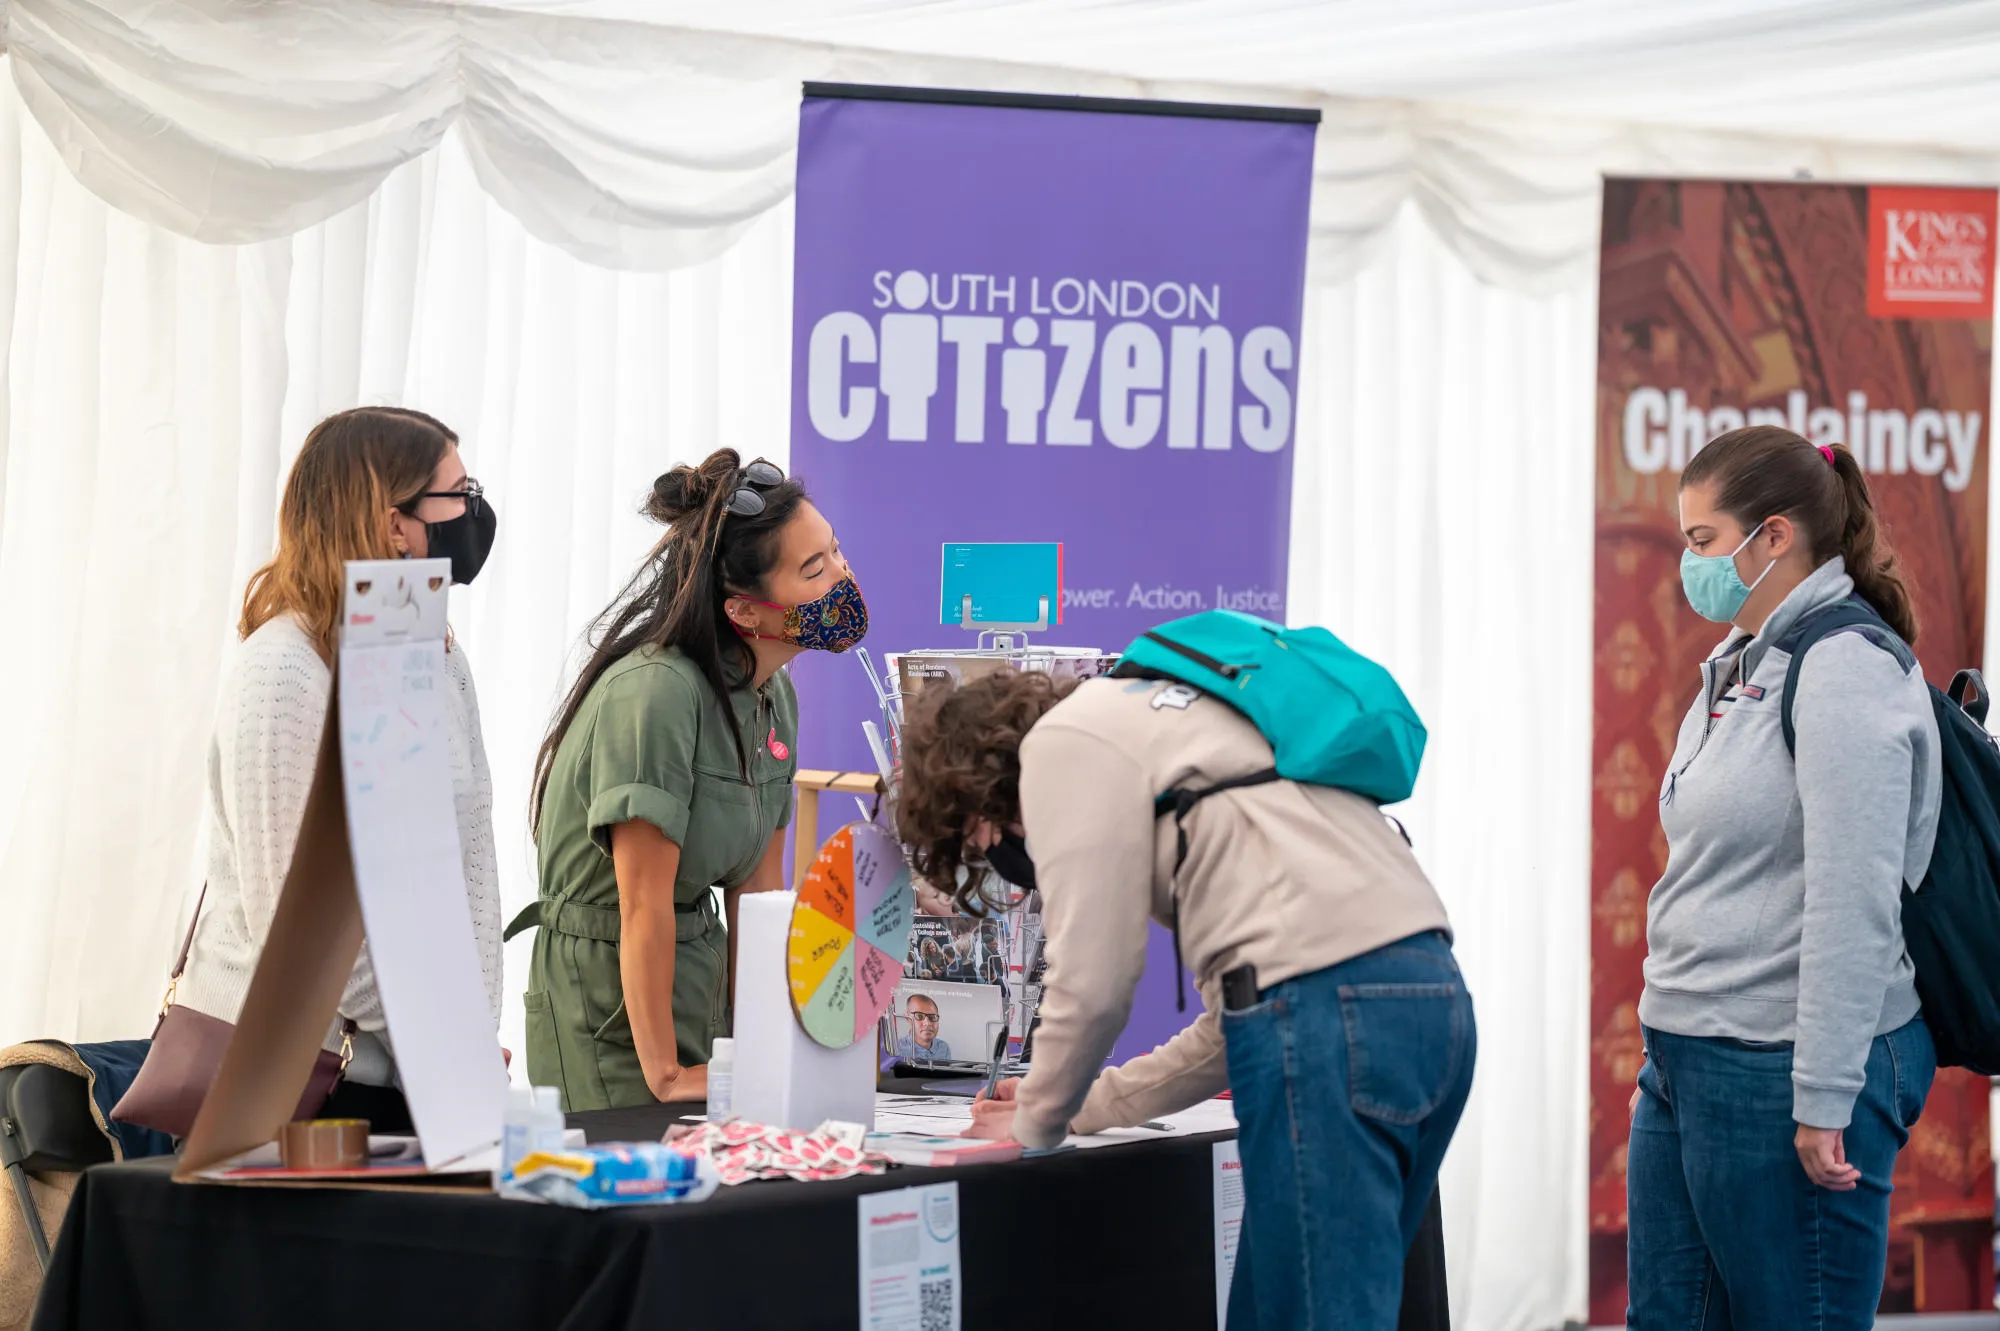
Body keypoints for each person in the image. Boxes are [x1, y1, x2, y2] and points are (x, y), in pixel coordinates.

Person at [894, 667, 1473, 1330]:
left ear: (981, 796)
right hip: (1434, 1001)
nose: (993, 856)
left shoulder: (1059, 749)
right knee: (1290, 1307)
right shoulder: (1180, 731)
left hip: (1326, 1021)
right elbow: (1230, 1034)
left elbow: (1093, 985)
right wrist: (1083, 1105)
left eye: (978, 838)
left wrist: (1035, 1125)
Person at [1627, 427, 1940, 1327]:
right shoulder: (1742, 658)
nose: (1691, 565)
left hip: (1780, 1069)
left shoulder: (1844, 667)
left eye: (1703, 542)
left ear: (1773, 538)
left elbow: (1857, 898)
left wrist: (1825, 1094)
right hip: (1688, 1052)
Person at [177, 407, 504, 1131]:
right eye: (458, 493)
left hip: (421, 1076)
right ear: (394, 524)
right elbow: (297, 920)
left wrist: (468, 1029)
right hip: (303, 1085)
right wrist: (441, 1040)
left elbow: (468, 864)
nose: (475, 510)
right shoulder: (284, 671)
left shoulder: (439, 661)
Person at [517, 450, 863, 1112]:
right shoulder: (658, 693)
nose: (842, 578)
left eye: (837, 554)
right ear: (748, 612)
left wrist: (767, 1046)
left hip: (699, 992)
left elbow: (758, 897)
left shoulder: (772, 697)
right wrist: (666, 1073)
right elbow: (642, 902)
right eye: (814, 569)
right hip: (611, 1010)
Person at [893, 993, 953, 1063]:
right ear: (907, 1018)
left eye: (932, 1017)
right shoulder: (896, 1049)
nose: (927, 1023)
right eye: (919, 1016)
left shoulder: (944, 1048)